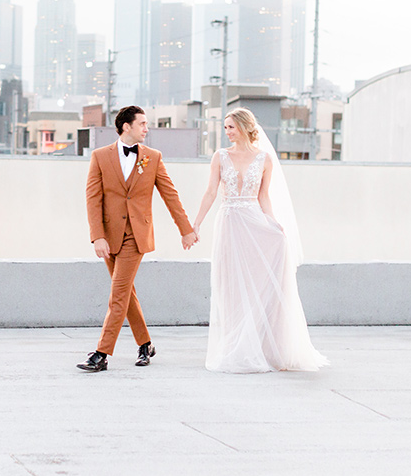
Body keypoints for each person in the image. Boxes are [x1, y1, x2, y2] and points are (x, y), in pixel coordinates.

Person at [192, 108, 328, 373]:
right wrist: (196, 223)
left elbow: (264, 196)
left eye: (231, 126)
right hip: (229, 222)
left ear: (243, 127)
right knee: (230, 284)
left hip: (255, 222)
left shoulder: (264, 159)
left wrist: (274, 223)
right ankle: (235, 345)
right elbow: (210, 192)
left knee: (259, 282)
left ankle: (263, 346)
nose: (227, 131)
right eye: (226, 127)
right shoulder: (220, 156)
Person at [79, 105, 199, 372]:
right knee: (127, 293)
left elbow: (170, 195)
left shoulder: (153, 157)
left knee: (118, 294)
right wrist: (97, 236)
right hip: (109, 238)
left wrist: (186, 229)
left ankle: (101, 353)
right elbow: (92, 200)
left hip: (137, 236)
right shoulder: (100, 156)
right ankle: (145, 344)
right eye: (143, 124)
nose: (147, 128)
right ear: (126, 127)